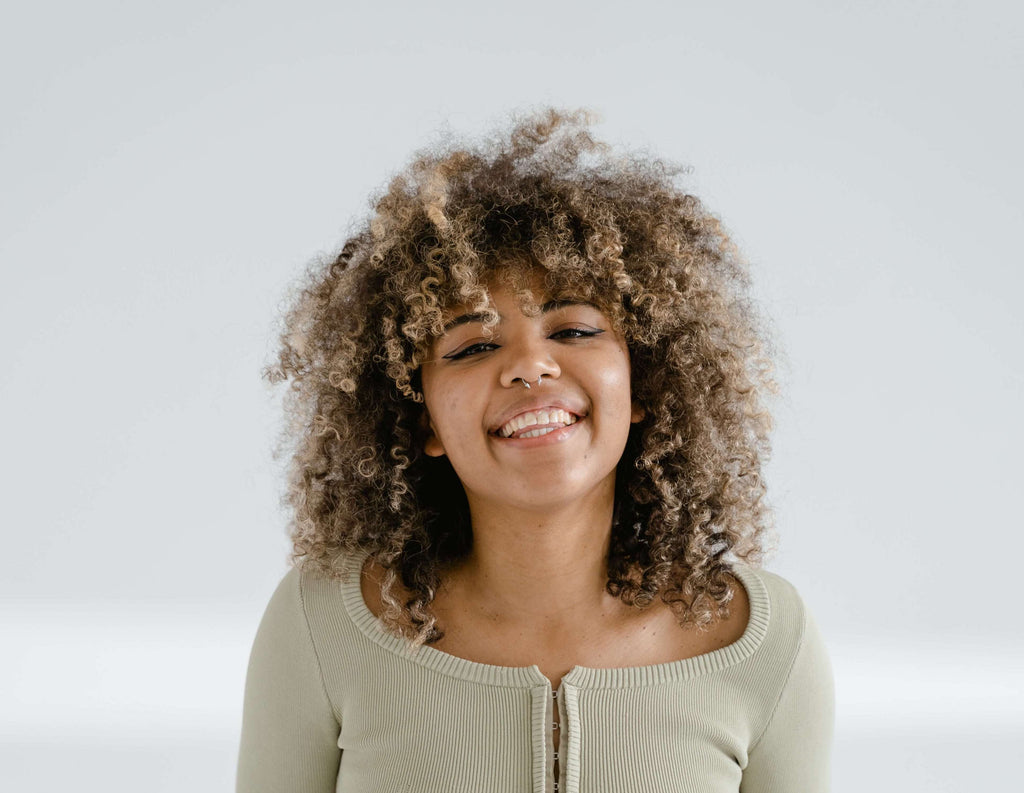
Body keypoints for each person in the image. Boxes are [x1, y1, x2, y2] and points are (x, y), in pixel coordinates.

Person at [236, 108, 834, 792]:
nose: (530, 365)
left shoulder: (763, 641)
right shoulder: (323, 624)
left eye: (575, 330)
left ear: (643, 380)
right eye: (473, 345)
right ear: (419, 417)